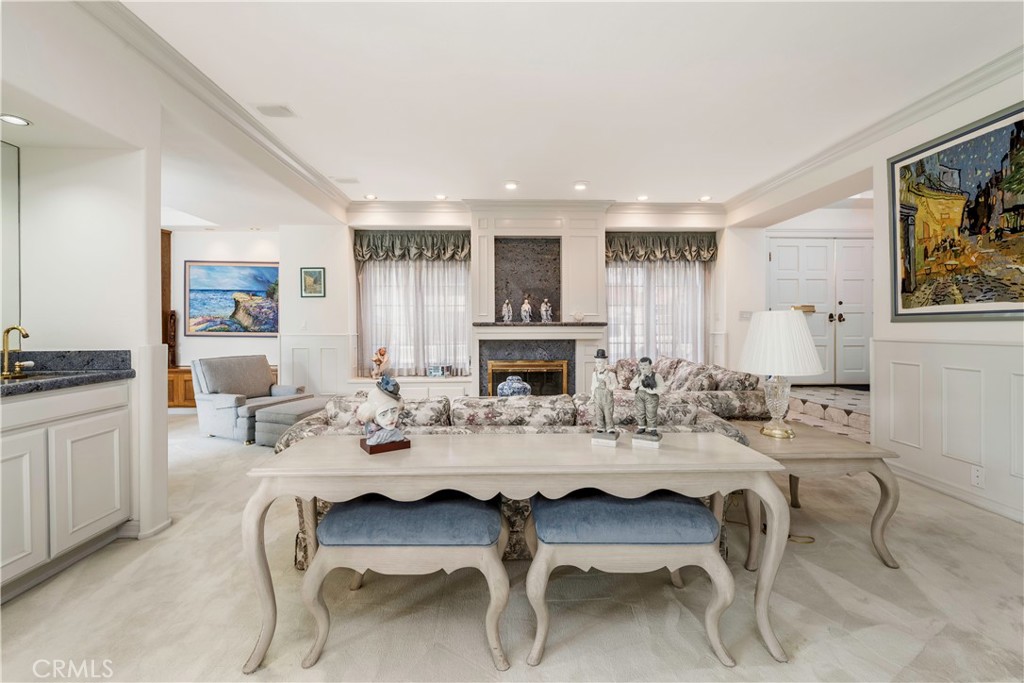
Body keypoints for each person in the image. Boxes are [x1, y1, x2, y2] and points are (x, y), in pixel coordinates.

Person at [356, 375, 406, 445]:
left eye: (394, 411)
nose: (391, 417)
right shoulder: (373, 434)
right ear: (374, 417)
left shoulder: (397, 433)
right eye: (383, 414)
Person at [629, 356, 666, 435]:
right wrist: (638, 383)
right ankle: (641, 427)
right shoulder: (638, 376)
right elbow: (631, 385)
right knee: (640, 412)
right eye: (641, 365)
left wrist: (652, 391)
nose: (643, 367)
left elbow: (662, 388)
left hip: (651, 396)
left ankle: (652, 428)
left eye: (645, 365)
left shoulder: (656, 376)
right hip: (639, 395)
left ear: (650, 365)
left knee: (651, 412)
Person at [591, 349, 617, 433]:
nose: (597, 365)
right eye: (596, 362)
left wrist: (608, 382)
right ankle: (600, 427)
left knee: (608, 412)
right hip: (597, 397)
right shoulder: (594, 374)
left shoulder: (611, 374)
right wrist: (592, 397)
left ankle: (610, 427)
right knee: (598, 412)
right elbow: (593, 386)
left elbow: (615, 386)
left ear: (605, 362)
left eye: (599, 362)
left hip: (607, 398)